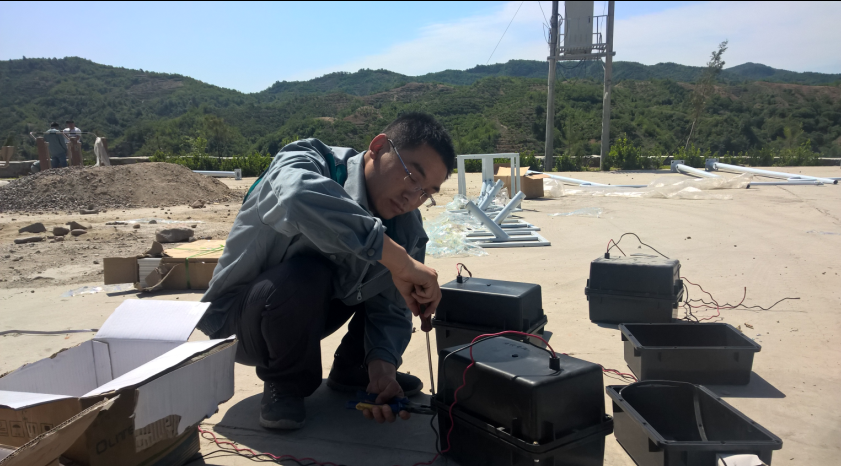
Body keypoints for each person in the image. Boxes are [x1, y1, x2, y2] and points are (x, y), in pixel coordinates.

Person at [198, 112, 454, 430]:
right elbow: (295, 196)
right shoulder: (309, 160)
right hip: (240, 321)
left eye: (426, 193)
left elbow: (390, 307)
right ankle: (286, 383)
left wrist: (383, 367)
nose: (413, 197)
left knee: (375, 270)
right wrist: (398, 260)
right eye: (412, 177)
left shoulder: (407, 228)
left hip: (309, 312)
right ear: (378, 147)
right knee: (310, 272)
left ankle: (355, 368)